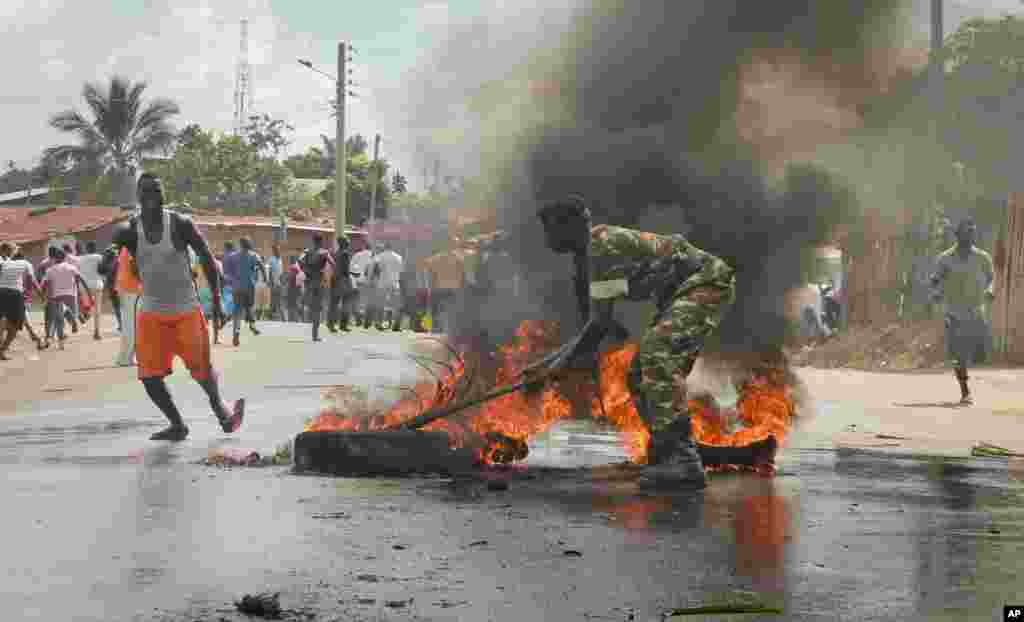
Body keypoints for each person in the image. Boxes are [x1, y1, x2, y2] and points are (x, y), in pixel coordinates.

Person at [535, 195, 735, 489]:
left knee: (656, 356)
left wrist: (554, 367)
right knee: (638, 374)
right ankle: (667, 451)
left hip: (703, 281)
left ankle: (683, 461)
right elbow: (598, 323)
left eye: (551, 228)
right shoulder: (588, 260)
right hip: (679, 293)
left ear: (572, 226)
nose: (547, 237)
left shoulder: (601, 244)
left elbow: (598, 327)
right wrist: (546, 365)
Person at [112, 173, 244, 441]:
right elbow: (112, 255)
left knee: (202, 371)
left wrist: (217, 300)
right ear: (138, 196)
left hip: (186, 309)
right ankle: (177, 425)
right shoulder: (129, 231)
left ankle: (220, 409)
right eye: (146, 191)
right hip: (151, 312)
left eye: (157, 191)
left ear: (163, 195)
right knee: (149, 376)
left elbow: (206, 257)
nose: (152, 196)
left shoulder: (180, 224)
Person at [929, 218, 995, 406]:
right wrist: (936, 292)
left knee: (979, 352)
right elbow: (935, 280)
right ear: (958, 236)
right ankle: (965, 390)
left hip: (976, 310)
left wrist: (990, 290)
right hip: (953, 312)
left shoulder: (983, 257)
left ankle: (971, 359)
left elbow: (991, 278)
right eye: (966, 234)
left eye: (972, 234)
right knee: (957, 354)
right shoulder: (945, 258)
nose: (970, 237)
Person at [40, 249, 95, 350]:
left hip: (56, 297)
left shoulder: (50, 270)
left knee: (59, 320)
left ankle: (60, 342)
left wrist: (43, 296)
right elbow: (81, 280)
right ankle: (72, 319)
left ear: (54, 258)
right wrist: (89, 294)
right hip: (71, 296)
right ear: (64, 258)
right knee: (67, 316)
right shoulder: (71, 268)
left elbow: (44, 285)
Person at [0, 242, 44, 359]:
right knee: (16, 325)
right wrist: (41, 295)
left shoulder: (5, 263)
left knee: (6, 321)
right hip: (14, 294)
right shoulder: (26, 263)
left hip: (2, 292)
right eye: (15, 249)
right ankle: (2, 349)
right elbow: (33, 281)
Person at [223, 236, 264, 347]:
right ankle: (252, 325)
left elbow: (227, 271)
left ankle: (236, 333)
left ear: (240, 245)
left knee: (237, 311)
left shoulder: (233, 256)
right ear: (249, 244)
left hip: (237, 287)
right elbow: (261, 265)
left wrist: (231, 279)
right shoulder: (254, 255)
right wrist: (264, 278)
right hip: (249, 287)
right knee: (249, 307)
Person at [299, 234, 333, 341]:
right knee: (317, 309)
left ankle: (303, 307)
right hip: (319, 283)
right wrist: (324, 272)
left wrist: (306, 270)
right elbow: (333, 263)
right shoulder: (324, 252)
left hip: (309, 282)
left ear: (313, 241)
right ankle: (315, 335)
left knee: (311, 306)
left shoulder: (307, 251)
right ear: (321, 242)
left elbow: (299, 261)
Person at [114, 244, 143, 366]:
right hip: (133, 289)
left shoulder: (126, 248)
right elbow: (136, 268)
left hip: (124, 289)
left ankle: (126, 357)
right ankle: (126, 358)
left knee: (129, 325)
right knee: (133, 325)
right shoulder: (136, 247)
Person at [371, 242, 404, 330]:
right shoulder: (399, 257)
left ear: (385, 248)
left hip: (382, 283)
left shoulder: (379, 257)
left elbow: (376, 270)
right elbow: (401, 271)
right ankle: (396, 325)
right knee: (396, 305)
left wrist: (373, 280)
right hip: (395, 283)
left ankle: (379, 323)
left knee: (381, 304)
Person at [77, 242, 105, 340]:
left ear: (87, 249)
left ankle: (86, 313)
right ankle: (97, 332)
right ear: (95, 248)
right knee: (97, 309)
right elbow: (103, 269)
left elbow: (78, 273)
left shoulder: (80, 259)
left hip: (84, 286)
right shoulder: (99, 257)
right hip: (97, 285)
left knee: (87, 306)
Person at [327, 236, 354, 333]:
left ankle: (331, 323)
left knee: (334, 303)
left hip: (334, 279)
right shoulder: (345, 254)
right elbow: (345, 270)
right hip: (342, 280)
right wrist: (352, 275)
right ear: (344, 244)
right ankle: (343, 324)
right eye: (347, 242)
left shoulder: (335, 253)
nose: (349, 243)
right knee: (346, 303)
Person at [98, 244, 123, 332]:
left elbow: (101, 271)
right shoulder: (120, 259)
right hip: (119, 286)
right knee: (121, 306)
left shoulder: (108, 260)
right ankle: (122, 323)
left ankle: (121, 324)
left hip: (113, 286)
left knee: (117, 306)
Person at [350, 242, 374, 327]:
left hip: (358, 282)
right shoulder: (374, 256)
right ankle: (367, 321)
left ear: (364, 247)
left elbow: (351, 269)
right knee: (368, 302)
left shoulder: (357, 255)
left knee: (356, 302)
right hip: (370, 283)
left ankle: (358, 318)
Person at [267, 244, 284, 321]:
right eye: (276, 250)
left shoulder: (280, 259)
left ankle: (282, 318)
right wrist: (271, 283)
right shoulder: (271, 260)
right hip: (273, 284)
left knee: (279, 301)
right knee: (272, 301)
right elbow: (269, 272)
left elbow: (281, 273)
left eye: (279, 250)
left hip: (279, 284)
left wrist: (282, 282)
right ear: (274, 251)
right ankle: (271, 317)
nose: (278, 251)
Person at [286, 256, 303, 322]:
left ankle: (292, 319)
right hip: (297, 288)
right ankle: (296, 319)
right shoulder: (298, 268)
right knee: (295, 304)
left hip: (292, 289)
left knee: (292, 305)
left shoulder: (292, 267)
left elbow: (290, 277)